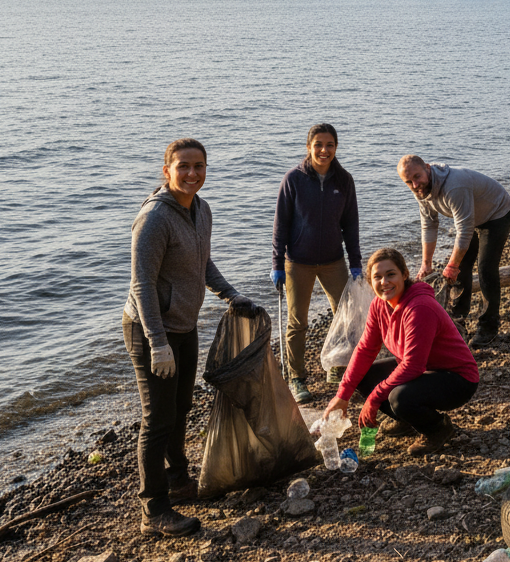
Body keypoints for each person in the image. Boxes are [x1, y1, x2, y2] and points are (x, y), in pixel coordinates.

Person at [123, 138, 256, 537]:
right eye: (183, 166)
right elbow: (142, 284)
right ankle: (154, 509)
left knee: (181, 406)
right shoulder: (154, 219)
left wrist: (231, 293)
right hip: (151, 331)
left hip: (184, 325)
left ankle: (179, 481)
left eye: (199, 166)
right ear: (166, 171)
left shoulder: (200, 210)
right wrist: (158, 343)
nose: (192, 173)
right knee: (157, 418)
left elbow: (203, 262)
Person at [322, 248, 479, 456]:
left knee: (399, 397)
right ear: (371, 282)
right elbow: (365, 349)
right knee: (364, 376)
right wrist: (342, 396)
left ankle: (438, 430)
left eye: (391, 274)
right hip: (423, 371)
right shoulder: (379, 305)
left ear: (404, 275)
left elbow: (414, 365)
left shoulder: (420, 308)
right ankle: (407, 420)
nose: (384, 282)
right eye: (377, 277)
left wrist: (374, 399)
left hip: (457, 379)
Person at [271, 124, 361, 404]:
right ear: (308, 147)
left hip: (334, 260)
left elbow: (351, 224)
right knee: (298, 323)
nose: (324, 150)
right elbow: (280, 224)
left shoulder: (344, 180)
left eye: (330, 145)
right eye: (318, 144)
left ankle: (337, 366)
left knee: (345, 315)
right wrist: (276, 263)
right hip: (298, 262)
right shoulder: (293, 179)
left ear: (336, 147)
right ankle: (297, 377)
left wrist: (356, 262)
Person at [397, 155, 510, 349]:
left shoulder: (454, 186)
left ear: (427, 168)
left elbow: (465, 229)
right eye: (409, 182)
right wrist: (426, 263)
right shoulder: (420, 190)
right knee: (462, 268)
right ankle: (458, 323)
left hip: (497, 212)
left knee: (485, 268)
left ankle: (489, 327)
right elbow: (429, 225)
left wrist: (451, 265)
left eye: (417, 177)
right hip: (473, 216)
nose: (415, 184)